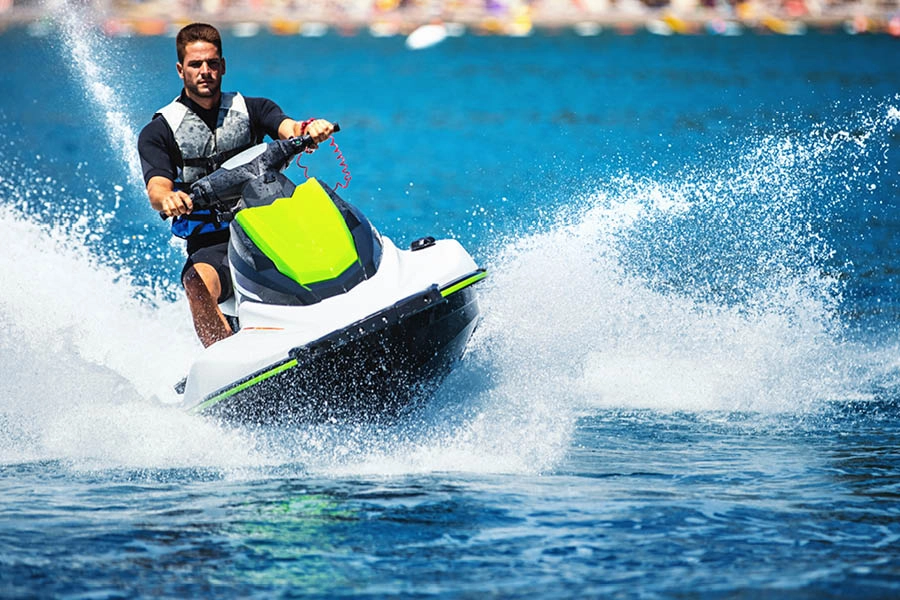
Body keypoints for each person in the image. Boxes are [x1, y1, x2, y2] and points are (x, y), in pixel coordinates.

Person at [138, 22, 334, 348]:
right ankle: (227, 359)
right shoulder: (159, 131)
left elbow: (288, 127)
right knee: (196, 283)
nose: (205, 71)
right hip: (213, 241)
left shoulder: (253, 109)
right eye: (195, 64)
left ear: (223, 66)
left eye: (212, 63)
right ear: (180, 69)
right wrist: (168, 199)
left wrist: (310, 129)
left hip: (268, 221)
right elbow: (157, 187)